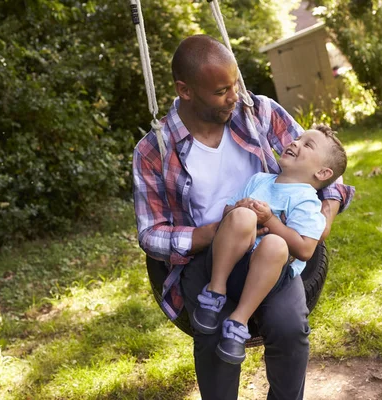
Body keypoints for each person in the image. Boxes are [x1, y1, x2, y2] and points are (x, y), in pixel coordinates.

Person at [133, 34, 354, 400]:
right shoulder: (153, 151)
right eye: (222, 91)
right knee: (213, 331)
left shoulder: (258, 111)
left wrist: (326, 210)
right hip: (206, 256)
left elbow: (326, 162)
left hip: (270, 250)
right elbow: (150, 234)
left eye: (234, 84)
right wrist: (213, 232)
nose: (234, 96)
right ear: (185, 91)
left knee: (289, 328)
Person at [191, 125, 348, 366]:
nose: (295, 142)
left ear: (323, 173)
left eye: (307, 145)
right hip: (231, 261)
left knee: (275, 243)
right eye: (297, 138)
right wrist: (238, 208)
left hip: (268, 275)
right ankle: (215, 291)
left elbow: (305, 249)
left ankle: (239, 321)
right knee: (242, 216)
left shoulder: (307, 201)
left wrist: (270, 220)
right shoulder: (259, 180)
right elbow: (226, 214)